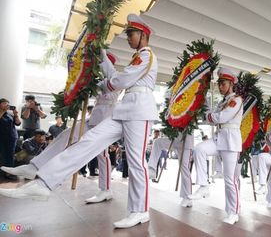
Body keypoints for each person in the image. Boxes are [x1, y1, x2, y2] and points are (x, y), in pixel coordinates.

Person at [0, 13, 157, 229]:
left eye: (131, 33)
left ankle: (140, 211)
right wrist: (99, 49)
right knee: (88, 141)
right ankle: (45, 182)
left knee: (137, 163)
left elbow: (122, 80)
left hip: (139, 111)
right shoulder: (138, 57)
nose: (128, 37)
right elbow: (117, 77)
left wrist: (98, 86)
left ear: (143, 34)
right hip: (125, 110)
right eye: (128, 33)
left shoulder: (146, 55)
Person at [2, 54, 120, 205]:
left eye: (98, 65)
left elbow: (104, 88)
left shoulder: (115, 79)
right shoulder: (99, 81)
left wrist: (89, 79)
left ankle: (106, 189)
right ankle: (35, 166)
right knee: (65, 135)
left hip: (104, 122)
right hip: (93, 120)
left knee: (102, 156)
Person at [189, 67, 243, 225]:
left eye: (223, 83)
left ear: (231, 83)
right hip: (219, 138)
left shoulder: (236, 100)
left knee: (229, 180)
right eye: (219, 83)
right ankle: (204, 186)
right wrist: (208, 113)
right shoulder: (223, 102)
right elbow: (212, 117)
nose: (220, 87)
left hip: (230, 142)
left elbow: (221, 117)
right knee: (199, 149)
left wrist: (210, 116)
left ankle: (233, 212)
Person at [148, 133, 194, 207]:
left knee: (184, 170)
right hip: (175, 139)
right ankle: (152, 169)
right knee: (158, 142)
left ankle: (188, 197)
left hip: (186, 143)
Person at [0, 98, 21, 178]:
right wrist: (3, 111)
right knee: (3, 155)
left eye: (7, 103)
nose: (7, 105)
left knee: (10, 155)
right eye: (4, 103)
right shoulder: (2, 113)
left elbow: (18, 123)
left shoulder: (10, 114)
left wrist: (16, 115)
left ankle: (9, 172)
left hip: (12, 137)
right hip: (2, 138)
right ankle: (3, 172)